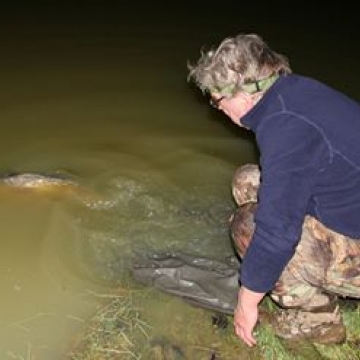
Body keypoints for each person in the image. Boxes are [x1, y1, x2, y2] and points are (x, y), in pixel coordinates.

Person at [187, 33, 360, 347]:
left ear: (242, 93)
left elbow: (276, 233)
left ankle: (319, 323)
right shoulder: (295, 93)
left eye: (216, 100)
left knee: (250, 227)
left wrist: (246, 301)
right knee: (247, 181)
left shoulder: (285, 128)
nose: (217, 109)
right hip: (350, 206)